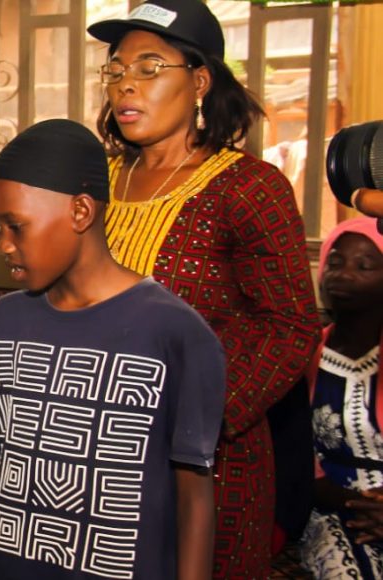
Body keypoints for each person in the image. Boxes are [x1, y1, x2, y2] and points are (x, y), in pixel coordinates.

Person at [88, 1, 320, 576]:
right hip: (95, 446)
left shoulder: (248, 188)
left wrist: (195, 416)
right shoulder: (94, 181)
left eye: (149, 68)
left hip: (206, 463)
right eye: (116, 70)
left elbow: (290, 327)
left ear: (199, 82)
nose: (125, 85)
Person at [0, 119, 226, 579]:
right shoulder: (5, 321)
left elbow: (194, 501)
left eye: (16, 226)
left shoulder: (175, 332)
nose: (3, 245)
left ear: (80, 212)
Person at [300, 217, 383, 578]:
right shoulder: (302, 356)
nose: (343, 275)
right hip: (332, 511)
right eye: (334, 263)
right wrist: (360, 506)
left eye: (364, 266)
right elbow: (295, 458)